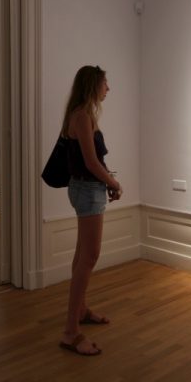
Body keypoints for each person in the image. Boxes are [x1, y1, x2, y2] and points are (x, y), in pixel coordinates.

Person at [59, 65, 122, 356]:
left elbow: (94, 161)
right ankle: (71, 332)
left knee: (81, 255)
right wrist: (113, 181)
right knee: (89, 257)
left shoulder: (85, 115)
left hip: (88, 188)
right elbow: (91, 162)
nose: (108, 88)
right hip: (87, 190)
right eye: (105, 83)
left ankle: (81, 311)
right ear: (93, 85)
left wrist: (107, 181)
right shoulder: (82, 116)